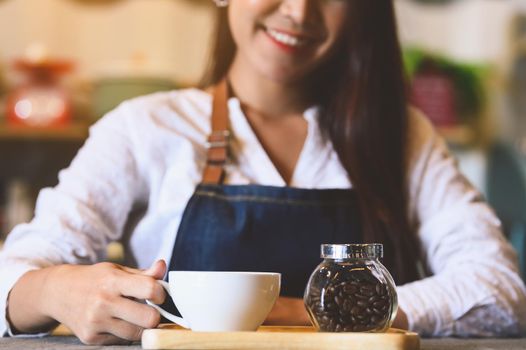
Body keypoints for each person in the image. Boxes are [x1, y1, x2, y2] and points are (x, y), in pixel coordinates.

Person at [1, 0, 525, 345]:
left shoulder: (402, 135)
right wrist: (55, 290)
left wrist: (310, 313)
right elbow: (14, 276)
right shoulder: (145, 127)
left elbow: (501, 290)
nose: (299, 11)